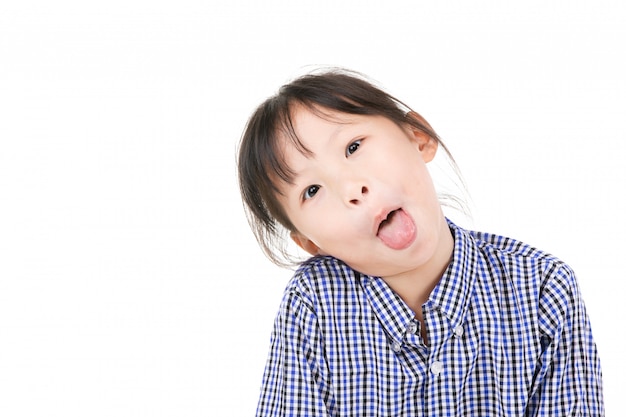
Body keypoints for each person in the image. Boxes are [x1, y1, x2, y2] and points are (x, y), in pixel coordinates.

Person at [237, 68, 603, 416]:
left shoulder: (542, 287)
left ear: (419, 136)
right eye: (312, 190)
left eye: (353, 147)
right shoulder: (314, 304)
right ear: (312, 244)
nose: (351, 189)